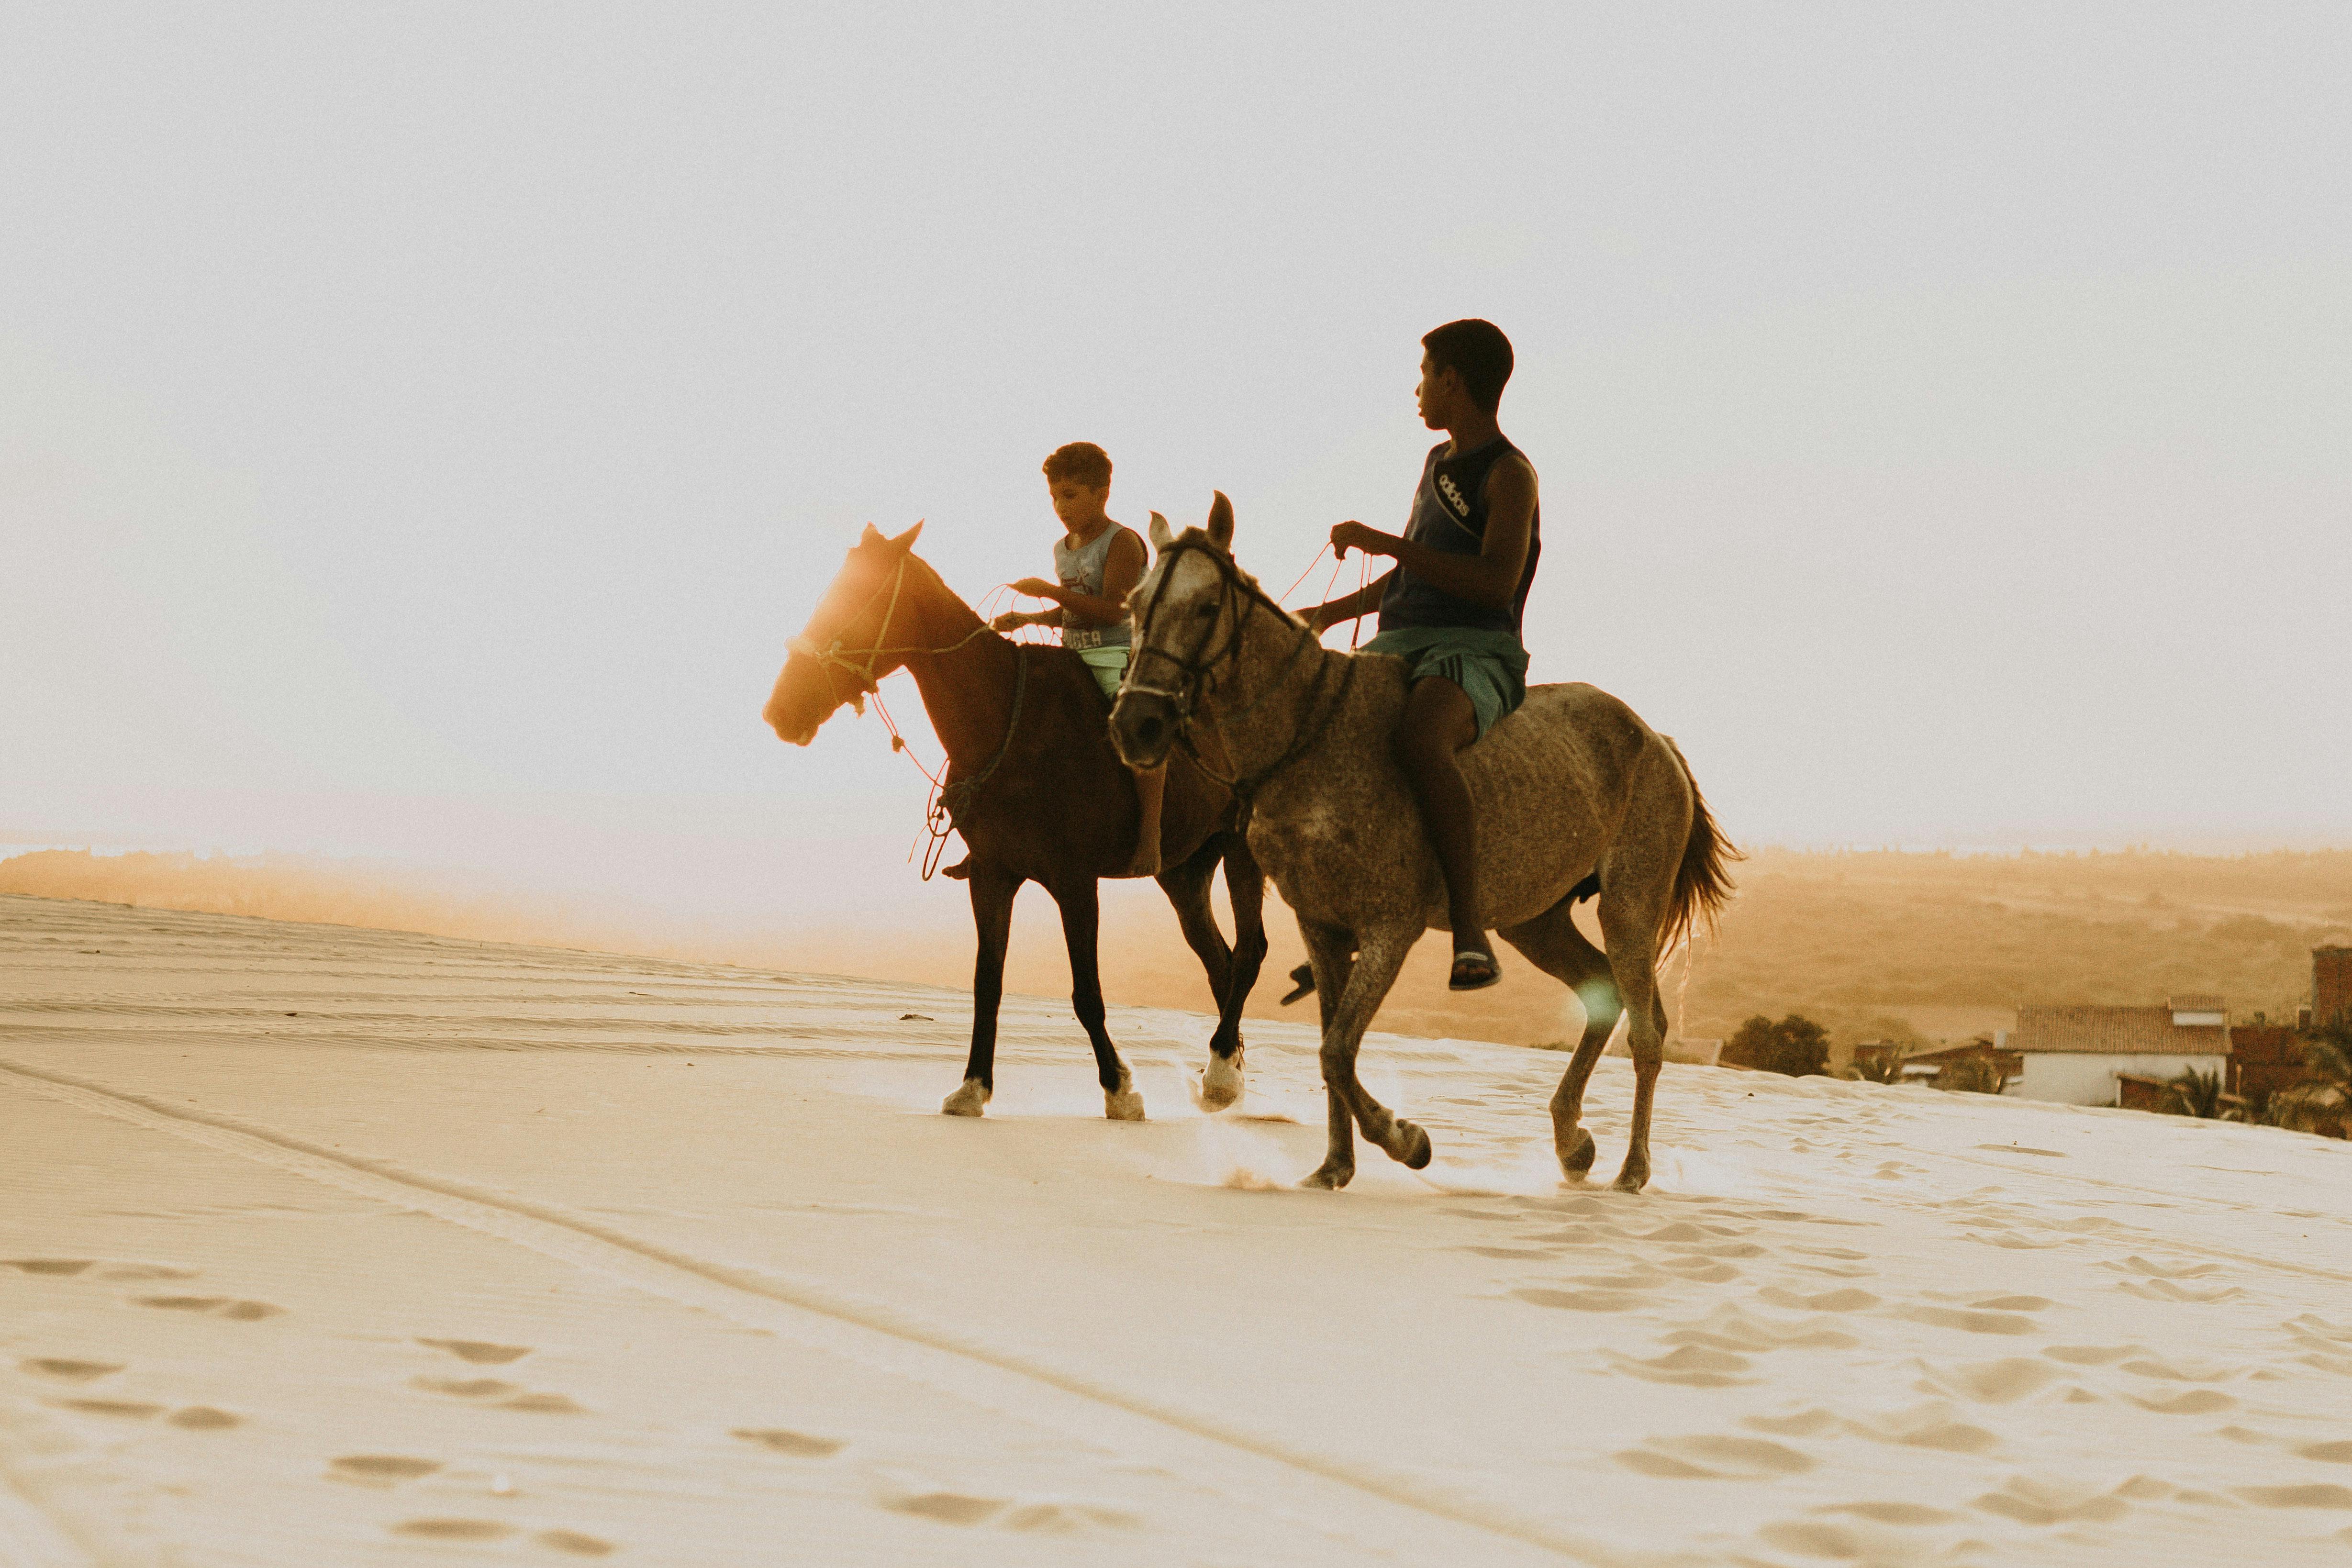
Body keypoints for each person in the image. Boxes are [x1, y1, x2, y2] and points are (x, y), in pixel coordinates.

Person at [1303, 320, 1539, 991]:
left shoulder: (1509, 476)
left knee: (1418, 738)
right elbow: (1414, 579)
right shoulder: (1436, 464)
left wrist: (1388, 542)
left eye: (1424, 375)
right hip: (1403, 640)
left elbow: (1493, 582)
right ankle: (1337, 903)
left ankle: (1468, 929)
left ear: (1452, 381)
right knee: (1313, 724)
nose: (1416, 390)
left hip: (1475, 649)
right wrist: (1328, 614)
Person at [992, 441, 1168, 877]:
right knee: (1010, 716)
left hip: (1119, 655)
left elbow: (1114, 610)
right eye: (1054, 496)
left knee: (1138, 728)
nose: (1060, 506)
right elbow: (1075, 609)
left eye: (1070, 495)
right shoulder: (1063, 547)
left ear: (1101, 493)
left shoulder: (1122, 542)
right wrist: (1029, 616)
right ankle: (997, 831)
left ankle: (1151, 836)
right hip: (1074, 655)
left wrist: (1049, 592)